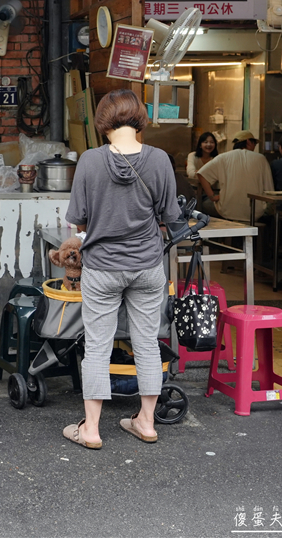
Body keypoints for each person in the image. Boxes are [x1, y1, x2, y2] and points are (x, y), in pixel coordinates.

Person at [62, 89, 181, 449]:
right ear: (139, 118)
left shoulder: (89, 161)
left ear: (103, 122)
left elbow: (79, 220)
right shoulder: (159, 159)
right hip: (147, 265)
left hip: (102, 267)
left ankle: (91, 429)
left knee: (98, 347)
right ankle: (146, 422)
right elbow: (170, 215)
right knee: (147, 344)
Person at [196, 130, 274, 222]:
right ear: (249, 142)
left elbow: (201, 174)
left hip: (226, 210)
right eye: (254, 144)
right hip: (254, 212)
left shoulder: (223, 157)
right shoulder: (261, 159)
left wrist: (212, 197)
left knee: (203, 203)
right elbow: (270, 190)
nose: (254, 147)